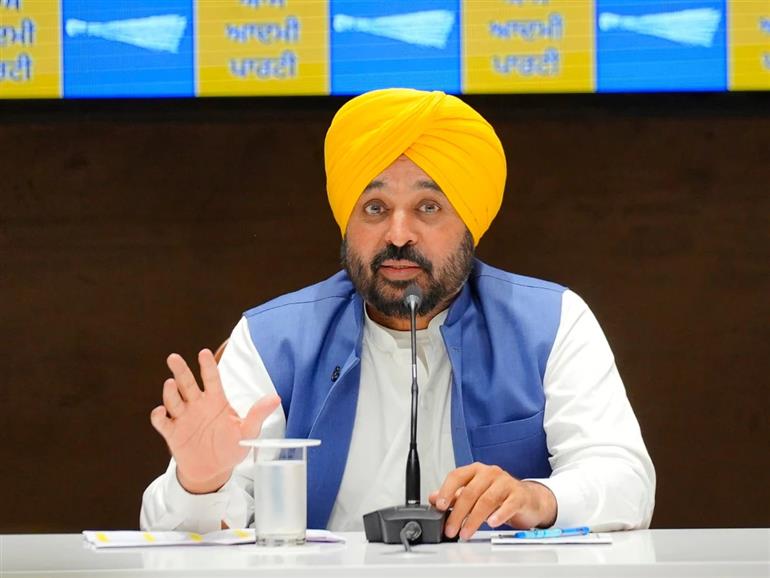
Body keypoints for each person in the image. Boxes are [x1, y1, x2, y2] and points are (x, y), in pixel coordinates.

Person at [141, 88, 655, 538]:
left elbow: (626, 481)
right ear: (347, 222)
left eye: (428, 207)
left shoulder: (552, 322)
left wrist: (537, 498)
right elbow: (174, 538)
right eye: (375, 208)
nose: (399, 234)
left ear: (469, 223)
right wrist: (202, 482)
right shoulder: (272, 340)